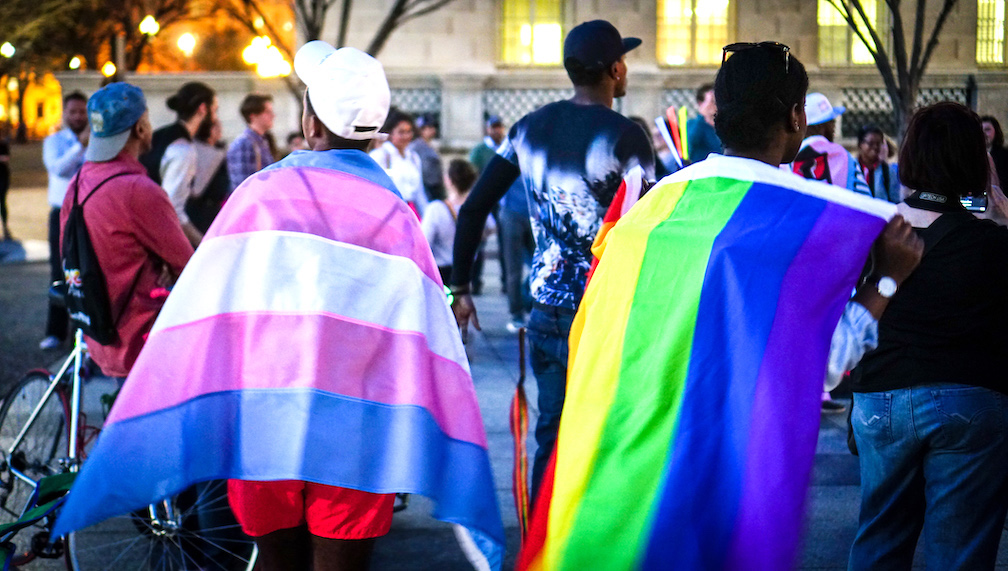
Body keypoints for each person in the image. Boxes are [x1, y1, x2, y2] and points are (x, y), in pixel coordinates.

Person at [515, 42, 923, 571]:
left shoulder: (651, 210)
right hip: (709, 489)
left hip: (615, 481)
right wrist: (886, 282)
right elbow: (813, 368)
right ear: (797, 117)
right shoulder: (785, 226)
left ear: (718, 115)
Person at [450, 19, 655, 500]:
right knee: (610, 439)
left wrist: (460, 289)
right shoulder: (626, 137)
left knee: (553, 436)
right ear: (613, 69)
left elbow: (474, 207)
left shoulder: (527, 129)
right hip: (605, 313)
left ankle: (541, 548)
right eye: (623, 61)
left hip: (546, 312)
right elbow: (649, 223)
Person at [847, 102, 1008, 571]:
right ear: (976, 161)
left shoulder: (872, 226)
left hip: (882, 399)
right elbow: (960, 207)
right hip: (970, 398)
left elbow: (935, 201)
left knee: (879, 540)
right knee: (957, 554)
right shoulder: (991, 239)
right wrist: (996, 197)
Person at [60, 82, 193, 378]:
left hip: (98, 333)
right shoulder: (138, 191)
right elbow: (188, 268)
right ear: (141, 128)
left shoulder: (78, 183)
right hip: (142, 345)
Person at [140, 81, 218, 248]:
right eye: (215, 111)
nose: (215, 118)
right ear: (203, 109)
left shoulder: (160, 135)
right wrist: (204, 245)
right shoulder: (183, 149)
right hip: (154, 240)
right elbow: (172, 209)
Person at [40, 91, 89, 350]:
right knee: (59, 272)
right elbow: (57, 168)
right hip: (60, 213)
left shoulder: (96, 141)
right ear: (65, 113)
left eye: (82, 112)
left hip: (86, 212)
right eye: (74, 112)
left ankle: (83, 332)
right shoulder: (54, 141)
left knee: (84, 271)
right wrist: (80, 145)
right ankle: (55, 332)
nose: (78, 117)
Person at [420, 159, 492, 283]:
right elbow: (490, 226)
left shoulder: (435, 209)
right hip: (467, 269)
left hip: (441, 270)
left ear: (448, 180)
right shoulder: (477, 206)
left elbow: (425, 242)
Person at [789, 92, 870, 198]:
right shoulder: (845, 158)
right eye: (832, 122)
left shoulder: (788, 160)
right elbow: (864, 201)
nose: (834, 129)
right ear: (822, 127)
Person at [369, 111, 426, 215]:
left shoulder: (413, 158)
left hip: (410, 212)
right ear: (391, 134)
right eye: (401, 132)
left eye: (408, 132)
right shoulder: (380, 156)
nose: (406, 136)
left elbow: (419, 193)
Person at [185, 118, 231, 234]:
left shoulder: (219, 151)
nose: (220, 129)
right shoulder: (197, 151)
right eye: (216, 127)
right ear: (207, 130)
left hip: (214, 209)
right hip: (200, 211)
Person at [227, 93, 275, 190]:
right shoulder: (245, 143)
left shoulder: (262, 142)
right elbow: (243, 185)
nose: (272, 116)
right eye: (267, 112)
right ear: (253, 116)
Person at [856, 124, 901, 203]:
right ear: (860, 144)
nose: (875, 147)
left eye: (878, 143)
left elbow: (895, 201)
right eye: (871, 143)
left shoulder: (887, 171)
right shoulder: (852, 168)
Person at [409, 114, 445, 201]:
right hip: (425, 187)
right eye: (428, 127)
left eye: (433, 127)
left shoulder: (433, 145)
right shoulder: (415, 146)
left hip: (436, 186)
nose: (432, 130)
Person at [686, 82, 721, 162]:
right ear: (701, 103)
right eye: (712, 101)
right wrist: (702, 116)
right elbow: (691, 144)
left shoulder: (722, 126)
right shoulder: (692, 124)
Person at [981, 115, 1008, 186]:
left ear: (996, 132)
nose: (983, 133)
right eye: (980, 129)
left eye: (987, 130)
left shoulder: (1005, 156)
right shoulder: (971, 155)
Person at [0, 130, 9, 241]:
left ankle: (5, 227)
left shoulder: (2, 145)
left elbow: (6, 158)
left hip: (2, 177)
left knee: (2, 202)